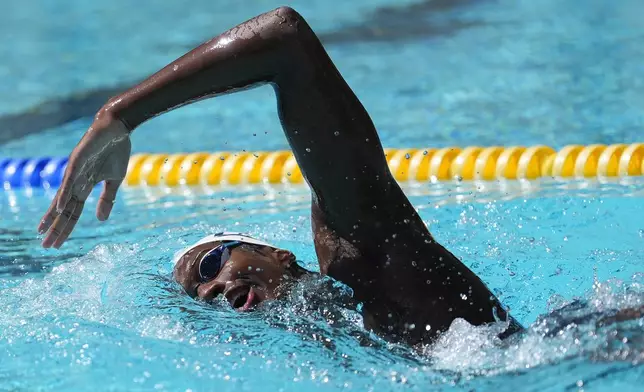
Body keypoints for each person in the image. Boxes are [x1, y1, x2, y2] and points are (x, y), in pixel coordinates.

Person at [37, 6, 523, 345]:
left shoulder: (368, 259)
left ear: (279, 256)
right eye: (199, 300)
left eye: (209, 267)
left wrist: (119, 115)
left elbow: (284, 40)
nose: (209, 292)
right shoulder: (343, 349)